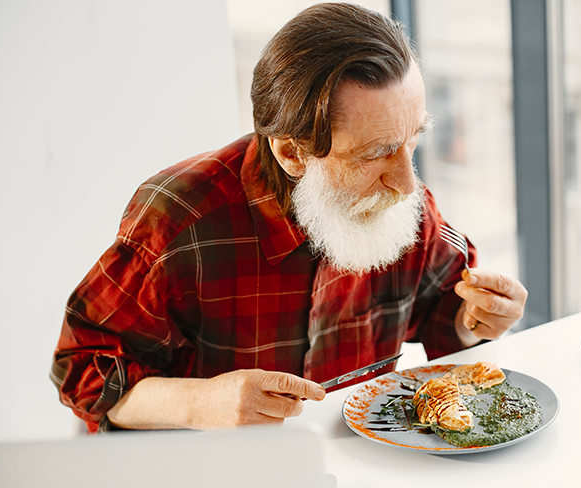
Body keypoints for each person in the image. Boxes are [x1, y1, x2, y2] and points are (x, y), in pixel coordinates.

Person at [51, 2, 527, 433]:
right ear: (291, 153)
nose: (407, 183)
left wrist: (476, 318)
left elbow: (443, 312)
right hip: (216, 481)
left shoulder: (403, 199)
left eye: (412, 139)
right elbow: (80, 368)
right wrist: (198, 403)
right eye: (377, 153)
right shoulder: (180, 221)